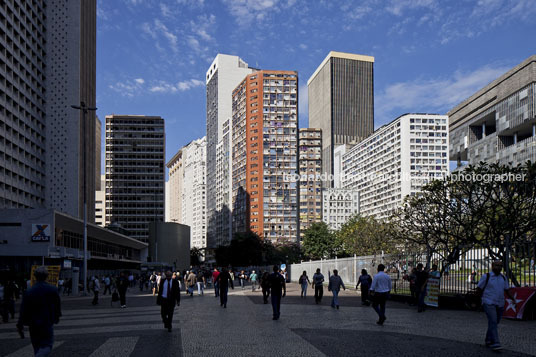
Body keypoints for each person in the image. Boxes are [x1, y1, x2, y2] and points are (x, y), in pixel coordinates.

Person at [17, 267, 61, 356]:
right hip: (47, 322)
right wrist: (57, 317)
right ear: (47, 276)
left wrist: (20, 324)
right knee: (47, 345)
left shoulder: (29, 291)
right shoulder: (53, 289)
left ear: (35, 276)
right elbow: (57, 306)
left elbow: (23, 309)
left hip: (33, 324)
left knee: (36, 346)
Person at [476, 260, 516, 351]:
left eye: (500, 266)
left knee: (494, 322)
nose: (498, 267)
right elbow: (479, 289)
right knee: (493, 321)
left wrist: (513, 299)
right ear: (492, 266)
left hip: (500, 303)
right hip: (488, 302)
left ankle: (488, 340)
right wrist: (479, 302)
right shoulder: (486, 277)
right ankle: (496, 342)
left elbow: (506, 290)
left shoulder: (503, 277)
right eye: (496, 265)